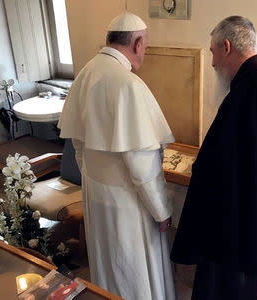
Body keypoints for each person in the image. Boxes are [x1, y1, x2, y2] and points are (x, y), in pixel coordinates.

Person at [170, 16, 257, 299]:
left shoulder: (252, 90)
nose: (212, 63)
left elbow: (226, 166)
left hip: (239, 229)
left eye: (212, 52)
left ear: (226, 46)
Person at [58, 12, 177, 300]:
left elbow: (79, 145)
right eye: (146, 47)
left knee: (108, 266)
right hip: (127, 203)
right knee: (133, 271)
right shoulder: (128, 84)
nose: (144, 54)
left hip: (96, 195)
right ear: (137, 43)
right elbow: (142, 166)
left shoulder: (86, 73)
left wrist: (94, 179)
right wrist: (162, 210)